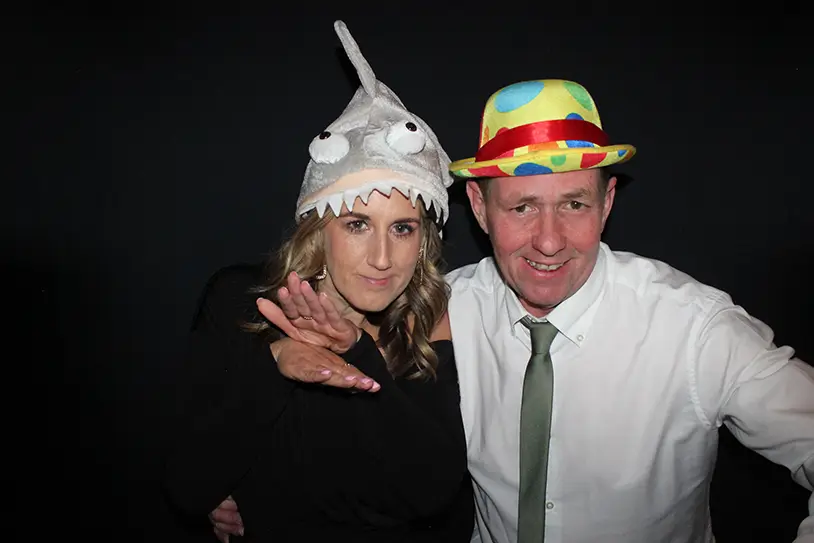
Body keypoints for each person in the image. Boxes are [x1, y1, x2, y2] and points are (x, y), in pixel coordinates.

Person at [208, 75, 814, 542]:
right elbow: (354, 438)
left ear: (607, 203)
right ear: (478, 207)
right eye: (522, 207)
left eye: (574, 204)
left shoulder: (694, 328)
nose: (548, 241)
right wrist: (236, 478)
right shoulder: (442, 309)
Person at [163, 20, 474, 542]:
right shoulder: (242, 302)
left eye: (402, 228)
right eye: (357, 224)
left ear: (424, 240)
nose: (382, 258)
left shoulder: (427, 319)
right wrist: (274, 364)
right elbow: (187, 485)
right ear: (318, 230)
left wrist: (357, 354)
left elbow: (432, 493)